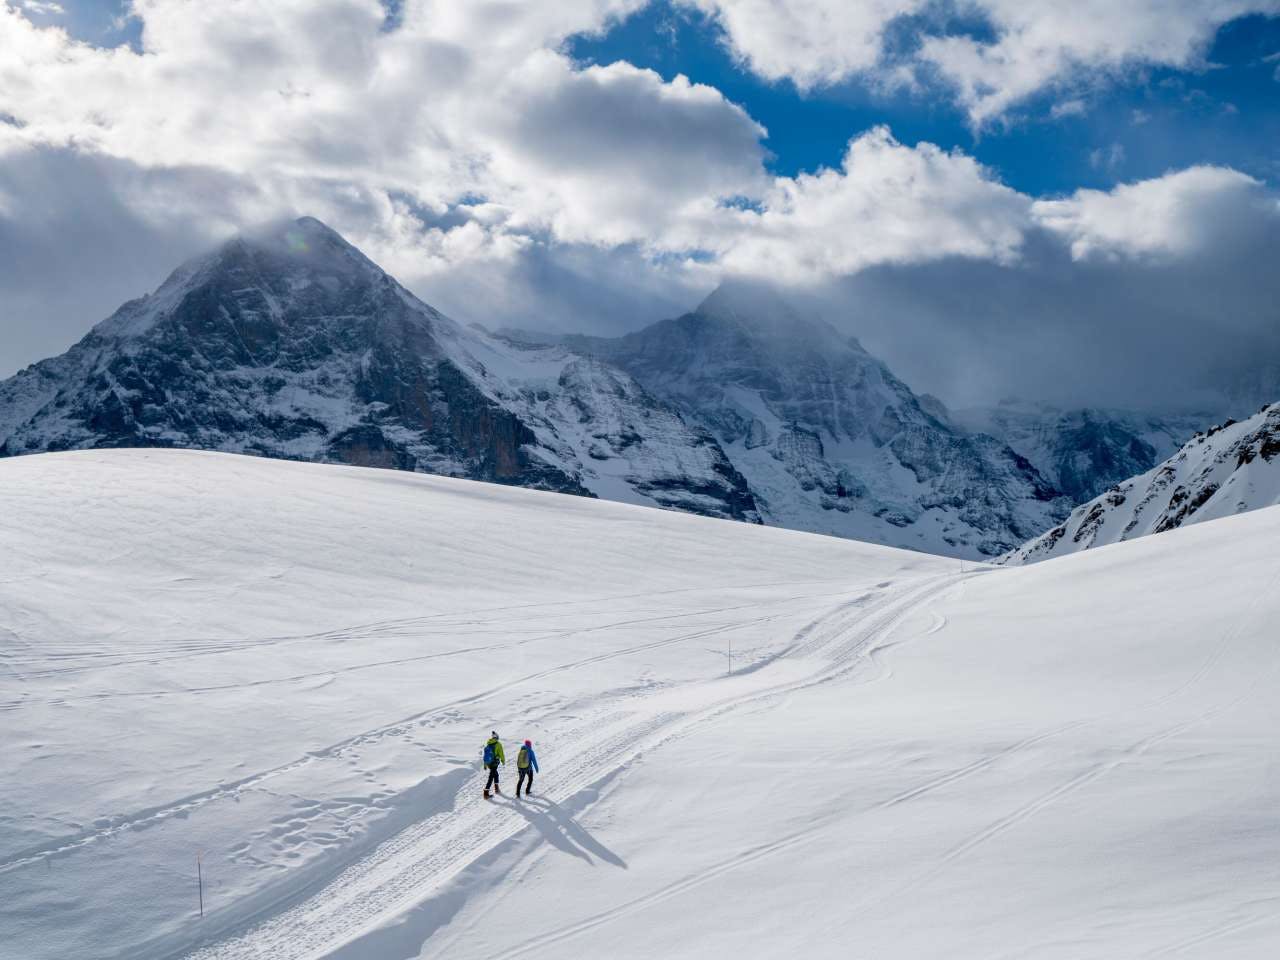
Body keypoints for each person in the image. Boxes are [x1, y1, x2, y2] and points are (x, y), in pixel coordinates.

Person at [482, 731, 505, 799]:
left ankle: (496, 789)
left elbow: (486, 756)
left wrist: (485, 765)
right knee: (491, 777)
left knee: (495, 774)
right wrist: (503, 760)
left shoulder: (488, 744)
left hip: (489, 763)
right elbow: (501, 753)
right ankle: (486, 793)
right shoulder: (498, 744)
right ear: (497, 737)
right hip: (494, 763)